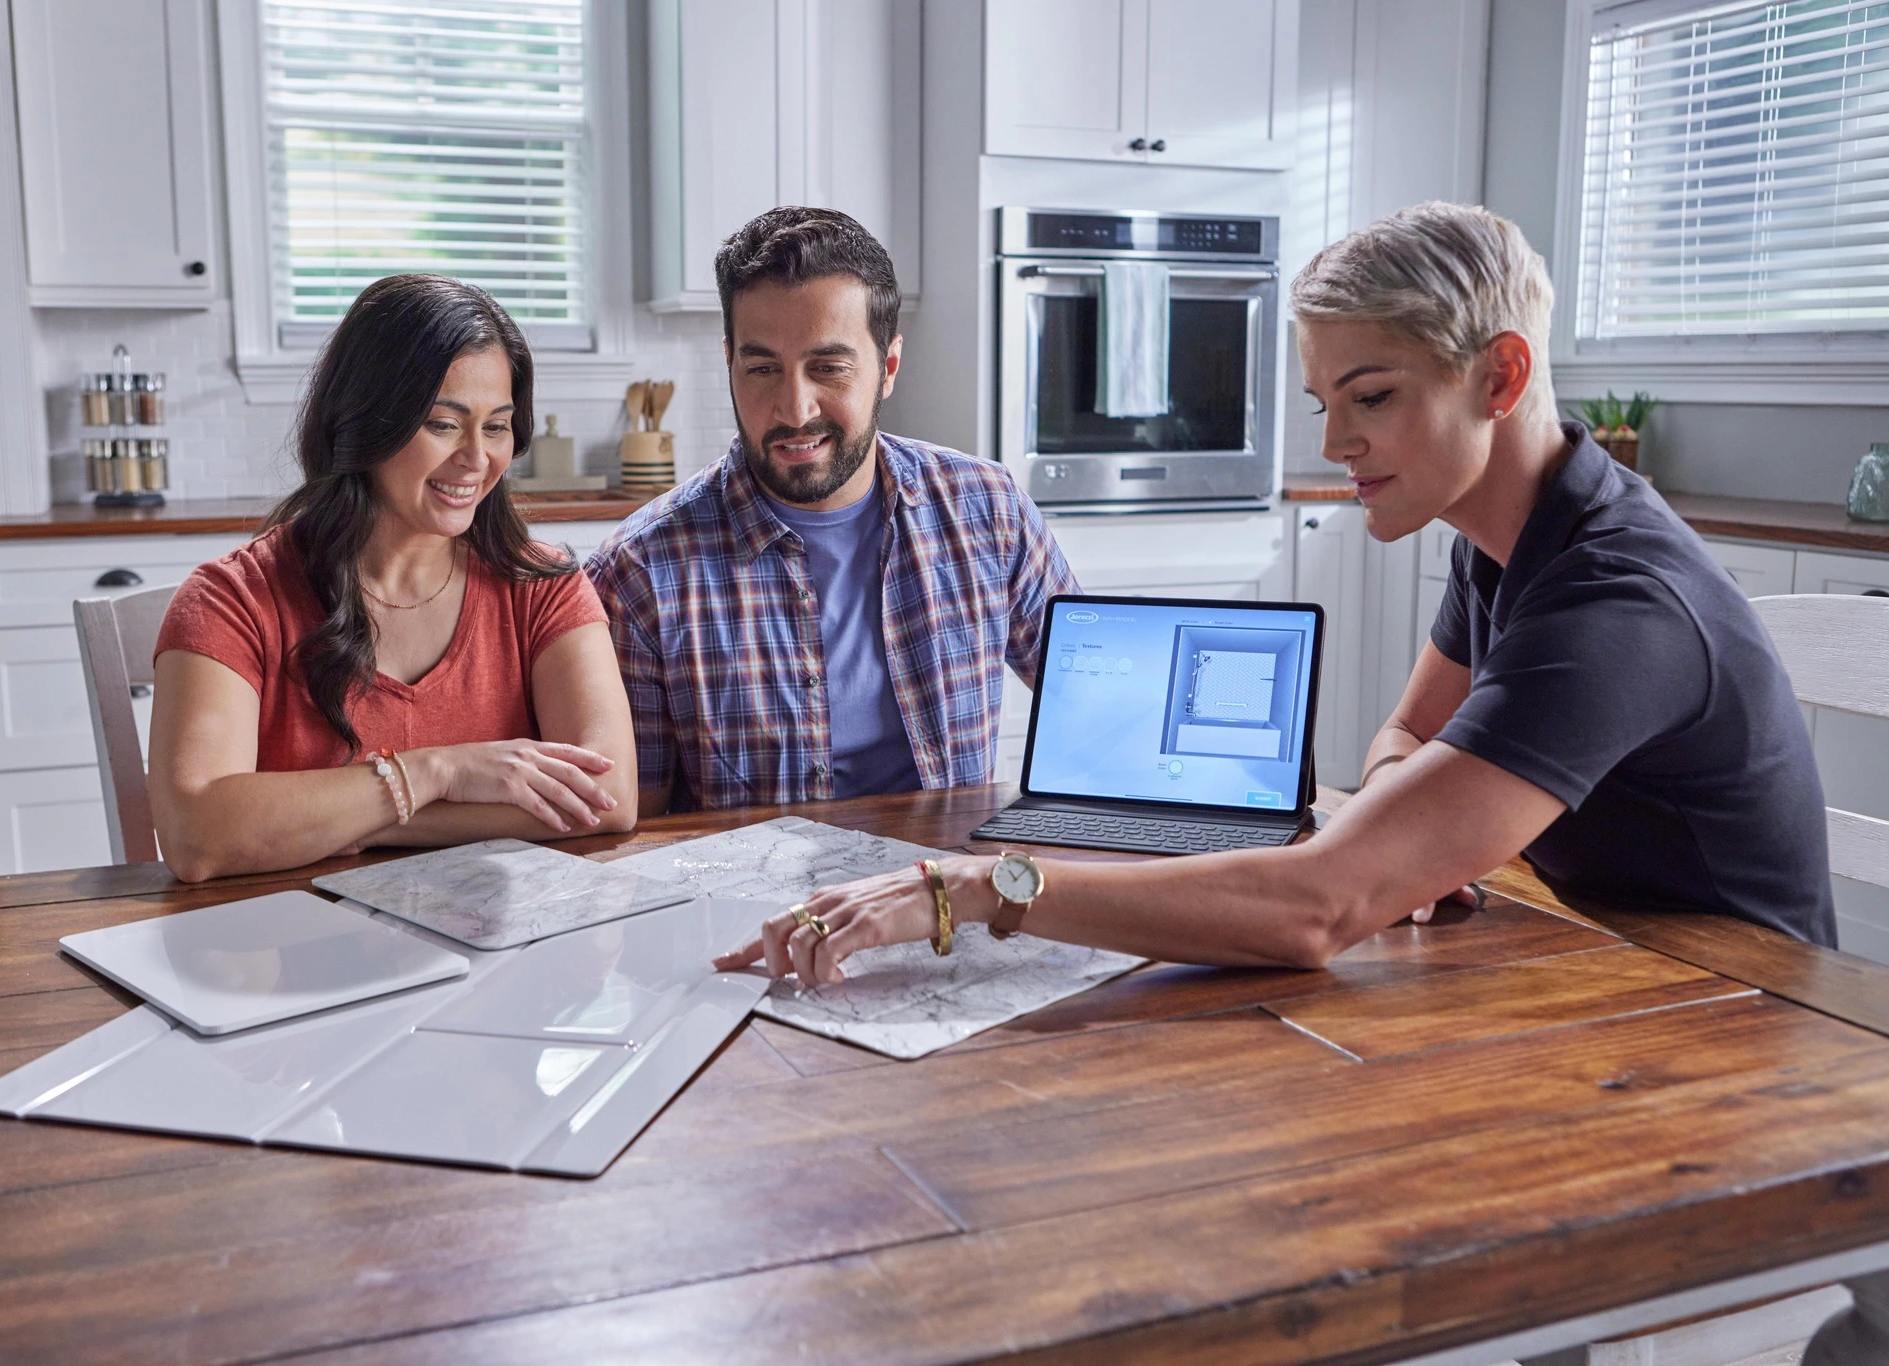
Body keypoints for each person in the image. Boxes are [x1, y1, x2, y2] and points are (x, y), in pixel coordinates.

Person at [721, 200, 1836, 985]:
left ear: (1498, 375)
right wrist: (1412, 843)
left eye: (1371, 396)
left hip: (1727, 1017)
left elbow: (1314, 908)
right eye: (1321, 402)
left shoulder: (1614, 605)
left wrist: (973, 887)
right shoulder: (1504, 535)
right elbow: (1403, 736)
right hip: (1582, 953)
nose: (1337, 441)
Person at [585, 207, 1077, 813]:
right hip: (756, 905)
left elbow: (1085, 705)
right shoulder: (639, 572)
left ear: (887, 367)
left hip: (950, 887)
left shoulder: (989, 510)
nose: (794, 409)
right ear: (730, 363)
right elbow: (637, 827)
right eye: (762, 368)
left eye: (829, 368)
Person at [148, 274, 637, 882]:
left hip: (500, 960)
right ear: (365, 421)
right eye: (442, 423)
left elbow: (607, 794)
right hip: (292, 956)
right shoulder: (232, 601)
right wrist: (436, 773)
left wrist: (368, 819)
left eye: (496, 426)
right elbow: (197, 837)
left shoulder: (543, 587)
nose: (476, 458)